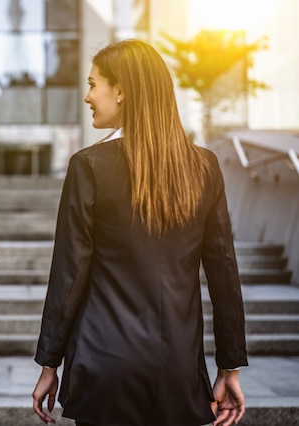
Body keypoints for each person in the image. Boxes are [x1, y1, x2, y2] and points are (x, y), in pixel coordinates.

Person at [32, 39, 248, 426]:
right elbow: (224, 274)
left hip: (104, 366)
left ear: (121, 90)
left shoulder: (89, 165)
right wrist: (230, 366)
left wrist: (49, 362)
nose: (87, 96)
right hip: (179, 370)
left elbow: (70, 272)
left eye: (93, 83)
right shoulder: (205, 166)